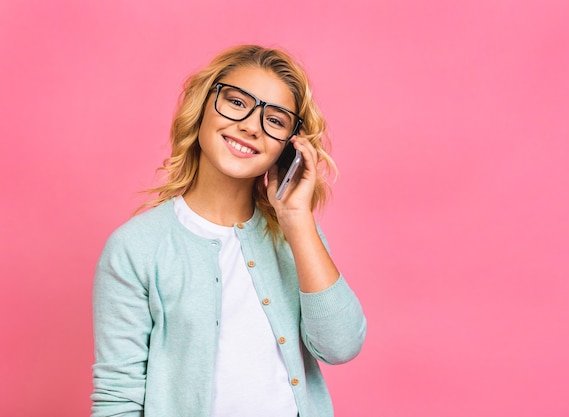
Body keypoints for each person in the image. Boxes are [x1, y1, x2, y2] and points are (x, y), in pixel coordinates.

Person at [91, 44, 367, 417]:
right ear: (203, 106)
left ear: (289, 148)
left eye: (276, 120)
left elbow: (341, 346)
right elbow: (118, 399)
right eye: (237, 103)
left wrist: (298, 220)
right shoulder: (136, 247)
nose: (251, 126)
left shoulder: (297, 240)